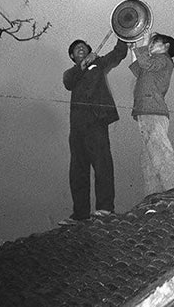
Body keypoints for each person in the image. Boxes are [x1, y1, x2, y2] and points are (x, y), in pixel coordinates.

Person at [60, 36, 127, 225]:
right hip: (77, 126)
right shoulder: (70, 73)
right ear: (73, 56)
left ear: (90, 51)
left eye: (84, 47)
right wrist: (82, 67)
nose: (80, 48)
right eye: (76, 48)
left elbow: (119, 53)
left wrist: (122, 34)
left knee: (102, 164)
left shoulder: (100, 64)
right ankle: (80, 214)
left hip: (96, 122)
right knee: (77, 170)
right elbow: (68, 82)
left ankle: (105, 208)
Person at [128, 31, 174, 196]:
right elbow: (138, 67)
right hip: (145, 110)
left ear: (166, 47)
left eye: (154, 42)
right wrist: (134, 48)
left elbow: (145, 63)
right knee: (148, 156)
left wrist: (143, 43)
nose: (150, 45)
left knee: (159, 148)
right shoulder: (152, 63)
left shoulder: (164, 60)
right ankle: (153, 193)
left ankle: (172, 187)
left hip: (153, 109)